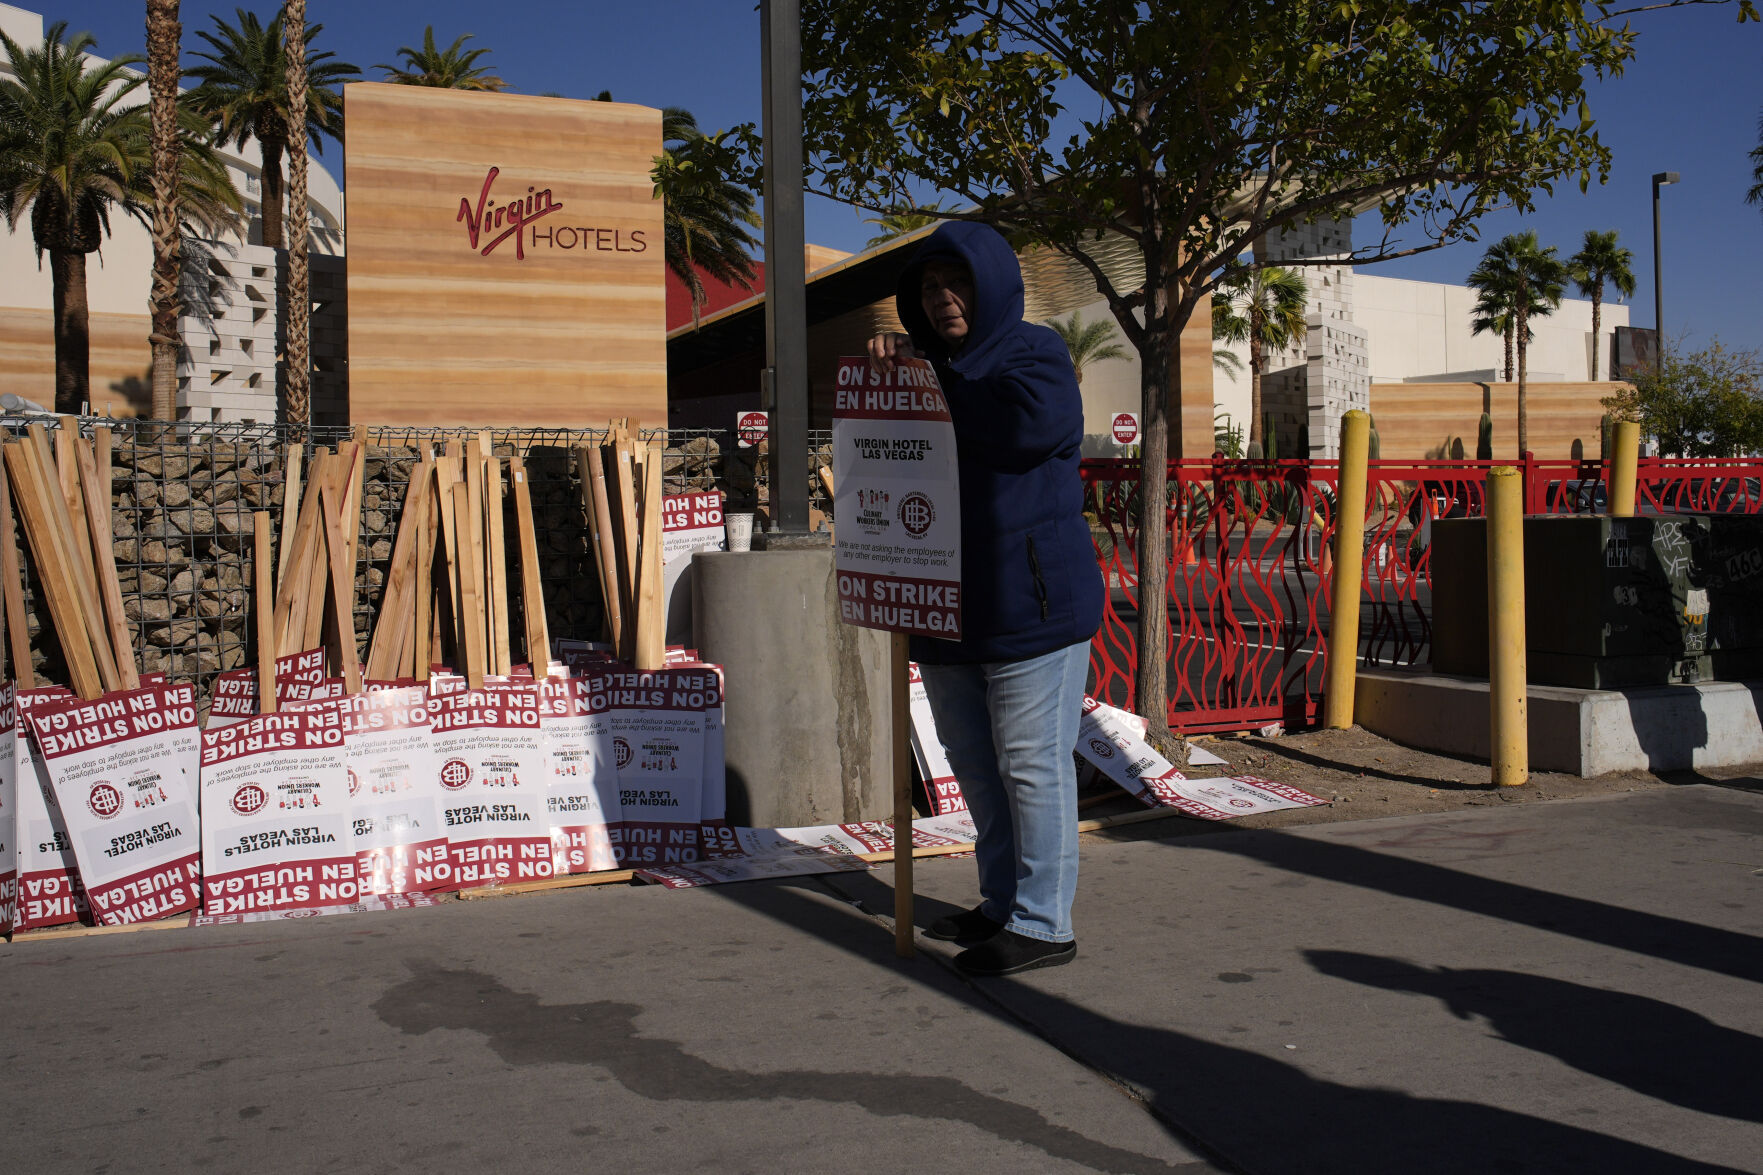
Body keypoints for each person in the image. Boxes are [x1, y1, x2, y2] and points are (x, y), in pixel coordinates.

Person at [868, 222, 1104, 976]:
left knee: (1032, 763)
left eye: (957, 284)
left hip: (1033, 604)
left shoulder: (1033, 353)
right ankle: (1002, 901)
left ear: (991, 285)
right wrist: (891, 378)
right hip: (946, 608)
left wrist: (925, 383)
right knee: (975, 763)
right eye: (931, 289)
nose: (943, 301)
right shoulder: (925, 365)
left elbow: (1026, 425)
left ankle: (1043, 921)